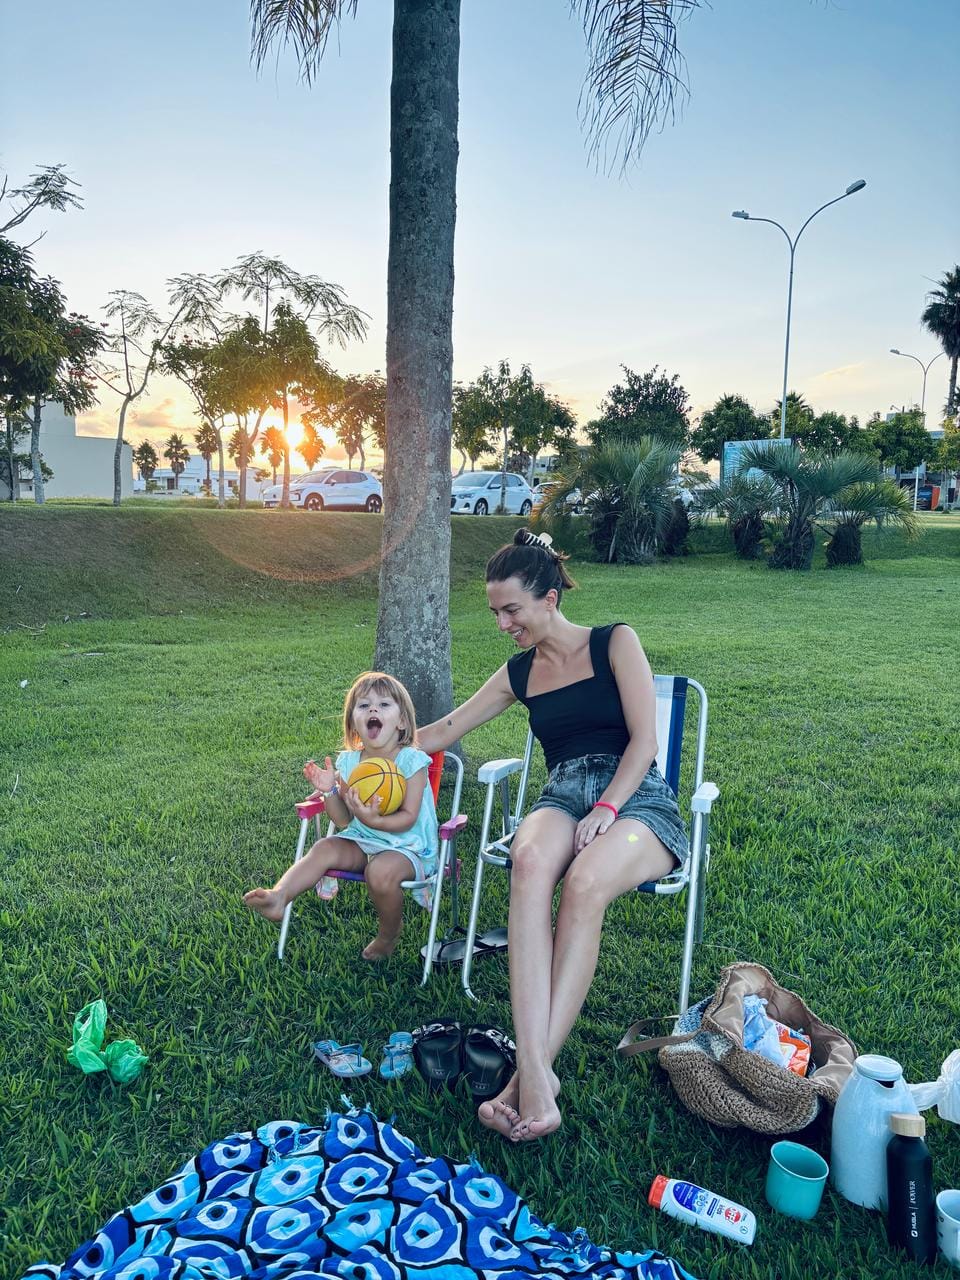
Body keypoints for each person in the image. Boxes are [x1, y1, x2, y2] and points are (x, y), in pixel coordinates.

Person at [418, 529, 688, 1142]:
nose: (502, 624)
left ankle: (526, 1079)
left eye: (511, 609)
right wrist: (370, 745)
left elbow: (646, 741)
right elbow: (444, 730)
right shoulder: (519, 672)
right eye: (495, 612)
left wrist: (609, 807)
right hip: (563, 792)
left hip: (637, 796)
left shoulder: (615, 642)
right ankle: (538, 1076)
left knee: (585, 882)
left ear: (550, 599)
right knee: (529, 859)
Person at [244, 671, 439, 961]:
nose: (373, 710)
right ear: (353, 722)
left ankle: (388, 935)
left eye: (384, 705)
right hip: (362, 839)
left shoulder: (411, 761)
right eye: (364, 705)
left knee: (379, 872)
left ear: (401, 721)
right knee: (324, 847)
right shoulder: (349, 762)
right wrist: (331, 791)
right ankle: (279, 896)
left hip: (406, 846)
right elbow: (344, 820)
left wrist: (375, 820)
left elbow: (409, 817)